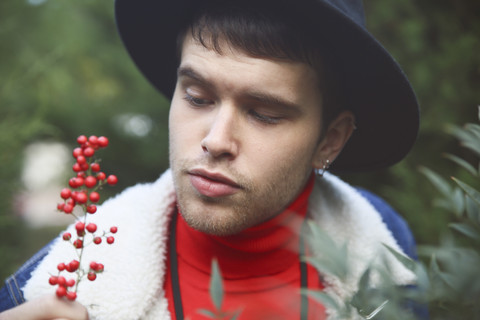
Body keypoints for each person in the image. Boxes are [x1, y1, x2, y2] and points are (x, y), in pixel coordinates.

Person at [0, 0, 422, 319]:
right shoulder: (53, 285)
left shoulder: (388, 256)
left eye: (264, 113)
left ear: (329, 141)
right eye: (197, 97)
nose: (216, 140)